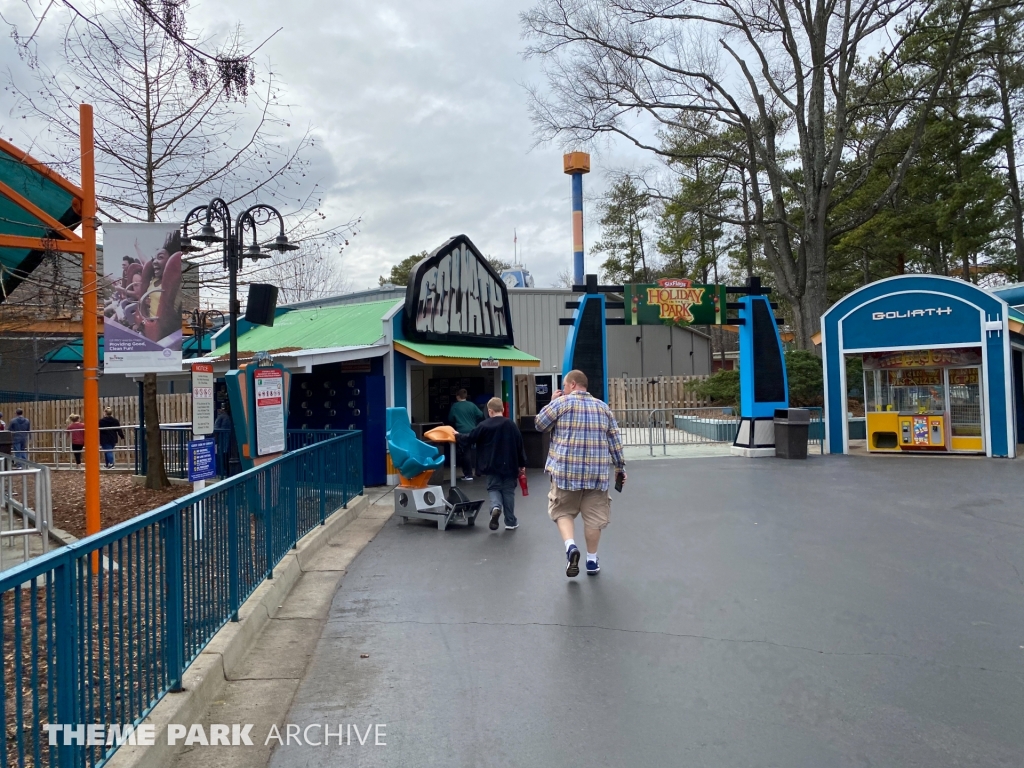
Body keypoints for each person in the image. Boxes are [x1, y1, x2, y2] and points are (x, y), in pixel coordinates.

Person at [534, 369, 626, 578]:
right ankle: (592, 560)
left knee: (562, 512)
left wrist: (552, 402)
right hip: (596, 475)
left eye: (565, 385)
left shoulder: (561, 404)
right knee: (594, 519)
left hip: (566, 474)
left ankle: (570, 547)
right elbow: (614, 441)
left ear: (573, 384)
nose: (563, 389)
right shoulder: (603, 408)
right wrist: (620, 468)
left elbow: (539, 424)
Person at [458, 397, 528, 531]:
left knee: (494, 488)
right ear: (502, 409)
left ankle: (495, 507)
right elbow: (520, 445)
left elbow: (470, 438)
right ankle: (510, 522)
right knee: (508, 492)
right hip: (510, 465)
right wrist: (522, 464)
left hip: (491, 465)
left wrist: (457, 435)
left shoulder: (484, 425)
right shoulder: (511, 425)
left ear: (490, 411)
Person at [447, 388, 483, 480]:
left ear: (457, 396)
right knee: (476, 451)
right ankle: (478, 471)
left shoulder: (455, 406)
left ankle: (468, 474)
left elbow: (450, 419)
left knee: (465, 452)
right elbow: (480, 415)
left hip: (461, 431)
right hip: (473, 430)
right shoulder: (472, 405)